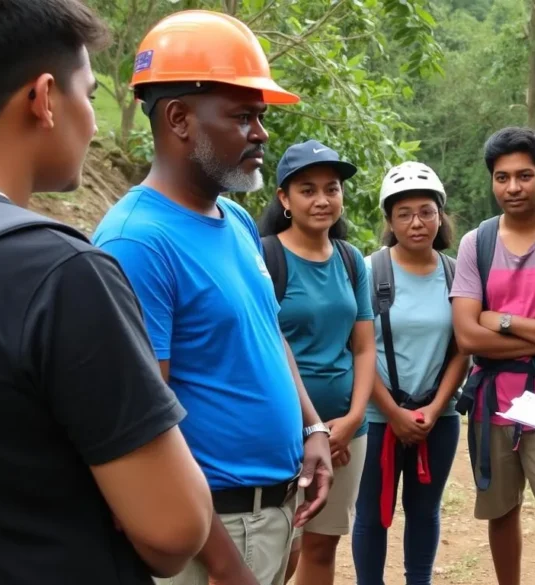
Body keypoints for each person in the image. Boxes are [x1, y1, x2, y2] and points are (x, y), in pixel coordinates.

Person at [92, 10, 335, 585]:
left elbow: (266, 333)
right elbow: (140, 433)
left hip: (270, 512)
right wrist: (226, 564)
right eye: (244, 116)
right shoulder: (137, 243)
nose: (262, 133)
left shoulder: (234, 217)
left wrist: (313, 428)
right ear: (179, 118)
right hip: (212, 536)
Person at [0, 1, 214, 582]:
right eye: (87, 93)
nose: (91, 116)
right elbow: (176, 528)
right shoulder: (60, 274)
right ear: (42, 100)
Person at [450, 127, 535, 585]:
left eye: (524, 176)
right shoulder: (477, 243)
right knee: (500, 511)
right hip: (494, 402)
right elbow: (468, 336)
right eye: (502, 177)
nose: (512, 187)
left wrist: (501, 320)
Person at [256, 140, 376, 585]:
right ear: (285, 199)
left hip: (349, 430)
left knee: (322, 547)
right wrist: (315, 429)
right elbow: (261, 348)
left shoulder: (349, 260)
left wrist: (352, 418)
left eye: (332, 188)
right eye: (308, 189)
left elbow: (364, 347)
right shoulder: (264, 258)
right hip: (282, 428)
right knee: (279, 550)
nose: (323, 200)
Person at [351, 161, 471, 585]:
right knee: (372, 514)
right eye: (404, 213)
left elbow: (463, 348)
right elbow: (357, 349)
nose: (417, 222)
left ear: (441, 216)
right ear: (389, 220)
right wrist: (394, 413)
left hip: (437, 418)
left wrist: (435, 409)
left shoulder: (457, 274)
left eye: (426, 211)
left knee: (424, 511)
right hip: (378, 417)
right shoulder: (368, 271)